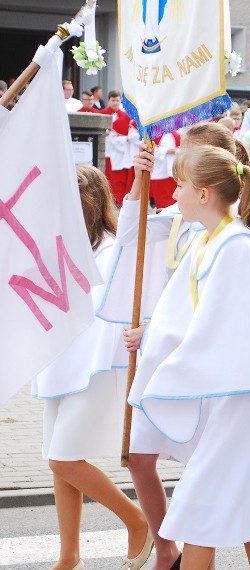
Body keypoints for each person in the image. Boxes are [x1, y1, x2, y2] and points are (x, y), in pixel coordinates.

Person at [128, 146, 250, 569]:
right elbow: (189, 321)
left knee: (200, 503)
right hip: (234, 387)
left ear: (205, 193)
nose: (174, 193)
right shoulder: (214, 240)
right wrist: (156, 345)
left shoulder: (234, 247)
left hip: (245, 390)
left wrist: (164, 369)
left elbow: (212, 331)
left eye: (180, 185)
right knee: (242, 500)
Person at [104, 122, 244, 570]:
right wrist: (138, 184)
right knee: (139, 456)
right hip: (162, 352)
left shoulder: (232, 227)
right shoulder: (183, 211)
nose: (177, 169)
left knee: (206, 468)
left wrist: (157, 330)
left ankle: (206, 554)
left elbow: (222, 308)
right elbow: (130, 236)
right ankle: (167, 548)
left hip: (199, 359)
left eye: (188, 163)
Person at [33, 165, 153, 570]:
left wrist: (139, 177)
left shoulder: (112, 248)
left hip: (97, 365)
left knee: (64, 458)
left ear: (88, 204)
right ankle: (68, 556)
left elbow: (136, 225)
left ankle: (138, 521)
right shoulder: (60, 245)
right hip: (60, 364)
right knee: (60, 461)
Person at [101, 90, 139, 205]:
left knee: (125, 179)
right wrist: (125, 139)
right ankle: (114, 199)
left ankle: (123, 200)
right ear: (108, 101)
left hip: (125, 153)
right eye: (113, 100)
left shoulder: (127, 118)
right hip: (111, 151)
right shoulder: (104, 114)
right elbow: (113, 136)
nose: (115, 103)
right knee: (113, 178)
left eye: (118, 100)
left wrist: (127, 139)